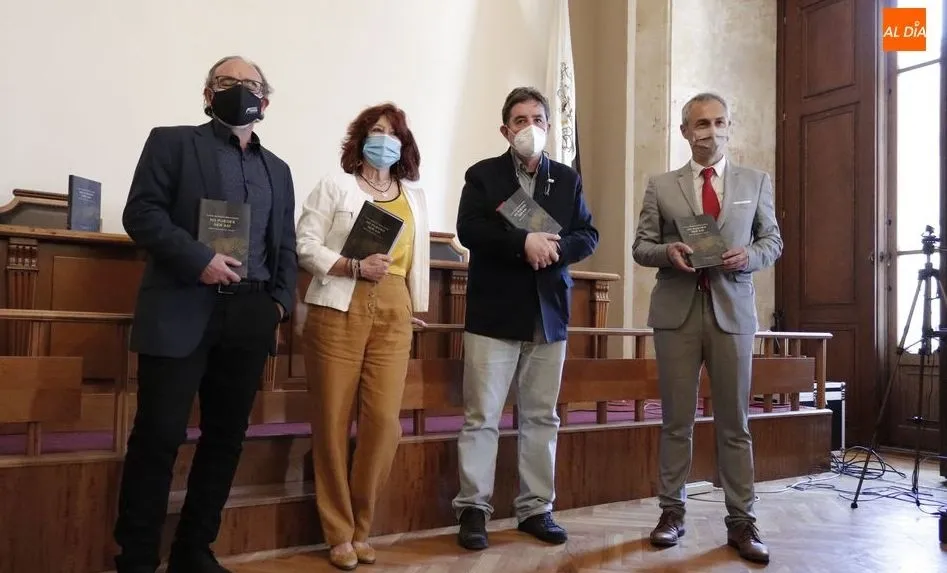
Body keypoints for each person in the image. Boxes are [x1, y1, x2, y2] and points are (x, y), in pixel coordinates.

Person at [114, 55, 298, 573]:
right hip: (181, 306)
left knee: (225, 438)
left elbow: (283, 245)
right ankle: (137, 555)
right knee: (159, 434)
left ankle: (194, 550)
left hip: (249, 315)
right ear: (207, 93)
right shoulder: (171, 142)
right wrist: (200, 260)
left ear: (266, 99)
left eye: (250, 84)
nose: (239, 90)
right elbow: (141, 213)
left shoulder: (278, 170)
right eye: (226, 82)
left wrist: (279, 303)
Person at [631, 92, 782, 564]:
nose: (710, 131)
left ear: (729, 127)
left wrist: (750, 257)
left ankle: (741, 521)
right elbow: (642, 245)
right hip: (676, 312)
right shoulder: (661, 185)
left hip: (732, 311)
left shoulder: (755, 181)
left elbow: (771, 239)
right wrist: (667, 253)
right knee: (676, 420)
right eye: (700, 123)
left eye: (718, 122)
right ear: (684, 131)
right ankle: (671, 513)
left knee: (735, 423)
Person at [451, 87, 598, 550]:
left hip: (548, 315)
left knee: (541, 417)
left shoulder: (568, 180)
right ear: (505, 129)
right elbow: (469, 229)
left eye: (537, 118)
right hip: (494, 314)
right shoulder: (484, 176)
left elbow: (588, 234)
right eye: (519, 120)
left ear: (550, 127)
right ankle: (474, 509)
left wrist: (553, 248)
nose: (529, 127)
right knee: (482, 417)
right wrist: (522, 243)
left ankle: (536, 508)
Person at [295, 103, 430, 570]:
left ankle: (363, 525)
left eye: (393, 133)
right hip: (339, 302)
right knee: (332, 419)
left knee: (382, 423)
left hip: (393, 308)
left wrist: (409, 306)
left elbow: (414, 260)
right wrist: (351, 265)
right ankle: (338, 531)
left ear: (404, 145)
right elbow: (305, 244)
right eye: (376, 131)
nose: (384, 140)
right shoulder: (335, 185)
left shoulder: (414, 196)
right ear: (360, 138)